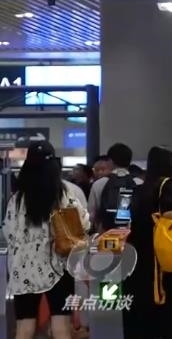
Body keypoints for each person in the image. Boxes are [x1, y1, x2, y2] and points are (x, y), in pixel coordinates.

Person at [4, 141, 89, 339]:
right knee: (61, 326)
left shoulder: (17, 199)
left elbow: (9, 232)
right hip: (58, 267)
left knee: (24, 327)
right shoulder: (64, 195)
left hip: (22, 270)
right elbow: (82, 224)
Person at [120, 146, 172, 339]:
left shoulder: (134, 189)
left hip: (136, 255)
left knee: (139, 304)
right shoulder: (167, 185)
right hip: (160, 257)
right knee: (164, 307)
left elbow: (122, 220)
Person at [88, 143, 142, 233]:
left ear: (110, 161)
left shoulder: (99, 184)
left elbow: (91, 214)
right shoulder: (139, 183)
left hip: (106, 233)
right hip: (133, 234)